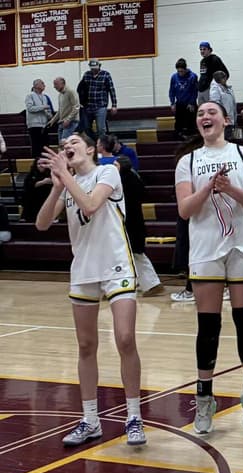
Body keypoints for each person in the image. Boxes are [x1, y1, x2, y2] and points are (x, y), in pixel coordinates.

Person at [34, 134, 145, 447]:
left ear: (91, 149)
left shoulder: (107, 171)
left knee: (124, 338)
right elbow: (42, 224)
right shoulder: (67, 183)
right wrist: (57, 185)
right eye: (64, 145)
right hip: (84, 269)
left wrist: (65, 177)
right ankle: (90, 419)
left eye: (74, 142)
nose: (67, 147)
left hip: (116, 265)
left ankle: (134, 416)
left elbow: (92, 204)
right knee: (85, 345)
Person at [174, 101, 243, 434]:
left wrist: (231, 189)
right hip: (207, 250)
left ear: (226, 120)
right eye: (199, 114)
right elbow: (185, 210)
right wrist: (209, 188)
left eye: (211, 113)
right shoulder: (188, 161)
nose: (204, 117)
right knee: (208, 327)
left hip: (242, 246)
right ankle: (205, 397)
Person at [116, 155, 164, 297]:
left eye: (116, 165)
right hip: (134, 223)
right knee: (131, 256)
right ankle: (135, 283)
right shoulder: (133, 177)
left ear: (122, 166)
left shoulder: (124, 180)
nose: (113, 167)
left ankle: (153, 284)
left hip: (130, 224)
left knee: (136, 255)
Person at [79, 60, 117, 141]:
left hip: (100, 106)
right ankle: (94, 143)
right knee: (86, 128)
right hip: (88, 106)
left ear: (99, 66)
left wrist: (114, 105)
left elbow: (111, 90)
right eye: (92, 68)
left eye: (95, 68)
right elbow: (80, 89)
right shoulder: (86, 75)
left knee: (101, 129)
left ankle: (102, 146)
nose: (93, 70)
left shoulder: (106, 75)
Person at [169, 59, 199, 138]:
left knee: (191, 125)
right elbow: (172, 91)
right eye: (178, 71)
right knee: (178, 125)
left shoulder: (193, 76)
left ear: (185, 69)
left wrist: (192, 103)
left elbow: (195, 91)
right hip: (179, 104)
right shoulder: (174, 77)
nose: (180, 73)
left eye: (182, 71)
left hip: (190, 104)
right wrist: (172, 103)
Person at [25, 79, 52, 159]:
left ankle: (46, 164)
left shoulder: (44, 97)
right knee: (36, 146)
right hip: (34, 125)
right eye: (42, 83)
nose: (44, 85)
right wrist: (43, 107)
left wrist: (50, 115)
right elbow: (30, 108)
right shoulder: (30, 95)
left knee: (45, 145)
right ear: (36, 85)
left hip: (44, 124)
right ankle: (36, 165)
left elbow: (46, 110)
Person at [49, 77, 80, 144]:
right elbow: (60, 110)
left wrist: (68, 119)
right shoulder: (60, 94)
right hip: (62, 122)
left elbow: (76, 106)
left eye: (56, 84)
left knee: (64, 143)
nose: (54, 87)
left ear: (63, 84)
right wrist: (53, 120)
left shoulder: (71, 91)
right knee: (61, 144)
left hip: (71, 122)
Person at [209, 71, 237, 140]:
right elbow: (215, 104)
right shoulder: (215, 89)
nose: (225, 80)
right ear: (218, 79)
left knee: (230, 140)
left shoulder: (228, 89)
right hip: (223, 120)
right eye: (223, 78)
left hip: (231, 119)